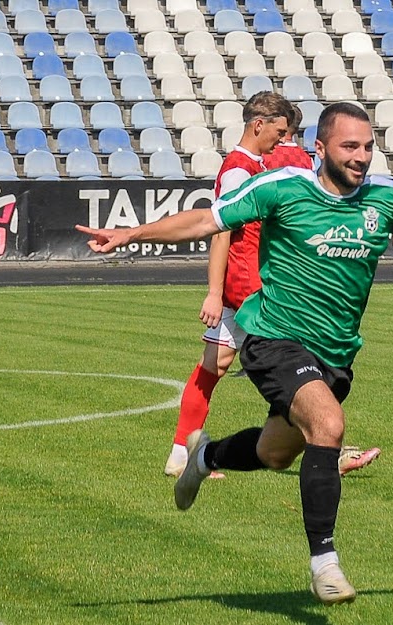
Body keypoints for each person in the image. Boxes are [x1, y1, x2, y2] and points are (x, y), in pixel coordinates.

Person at [77, 102, 393, 606]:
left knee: (274, 454)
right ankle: (325, 563)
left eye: (367, 146)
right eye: (349, 146)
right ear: (319, 149)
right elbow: (205, 222)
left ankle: (203, 455)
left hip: (336, 353)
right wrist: (130, 234)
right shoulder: (282, 189)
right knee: (328, 424)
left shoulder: (385, 199)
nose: (361, 156)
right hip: (273, 336)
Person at [163, 97, 381, 481]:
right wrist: (214, 291)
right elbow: (220, 231)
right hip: (252, 291)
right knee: (303, 365)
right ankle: (327, 451)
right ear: (259, 126)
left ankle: (184, 453)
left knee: (218, 366)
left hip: (254, 283)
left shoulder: (258, 166)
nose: (283, 141)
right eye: (280, 133)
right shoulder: (237, 170)